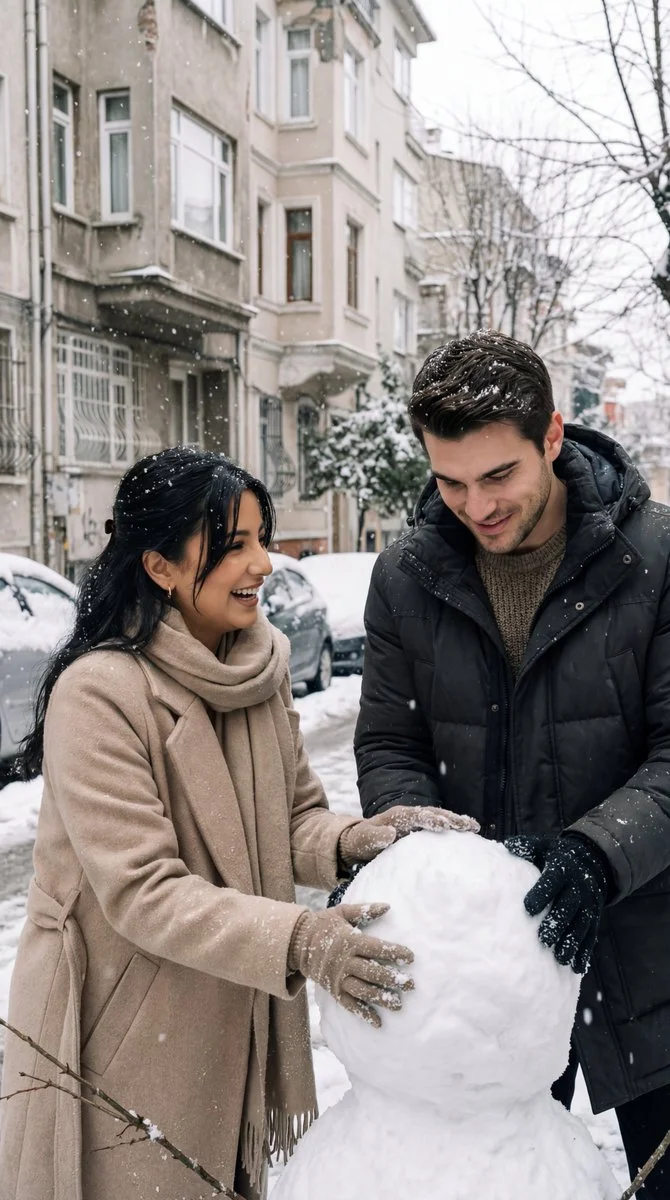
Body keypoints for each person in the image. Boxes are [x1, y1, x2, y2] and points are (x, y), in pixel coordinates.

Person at [0, 447, 471, 1200]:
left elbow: (289, 822)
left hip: (227, 1004)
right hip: (118, 1023)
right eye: (235, 545)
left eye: (263, 538)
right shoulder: (100, 694)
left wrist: (359, 840)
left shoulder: (258, 668)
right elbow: (144, 892)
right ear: (159, 566)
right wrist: (303, 939)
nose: (265, 563)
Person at [355, 330, 670, 1196]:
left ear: (554, 438)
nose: (476, 505)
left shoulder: (656, 555)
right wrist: (429, 854)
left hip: (646, 954)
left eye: (499, 477)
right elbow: (390, 744)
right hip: (484, 975)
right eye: (450, 482)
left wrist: (599, 852)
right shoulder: (406, 576)